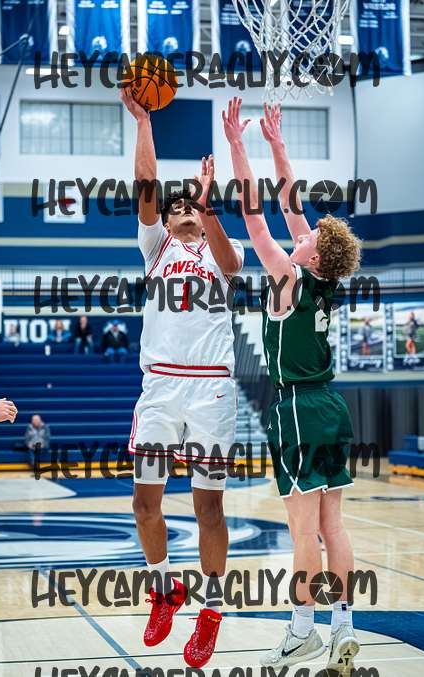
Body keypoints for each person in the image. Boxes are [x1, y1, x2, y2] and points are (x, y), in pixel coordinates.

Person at [223, 99, 362, 674]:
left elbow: (256, 214)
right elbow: (289, 202)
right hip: (331, 406)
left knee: (303, 530)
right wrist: (277, 144)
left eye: (308, 235)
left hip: (299, 409)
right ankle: (344, 626)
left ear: (313, 254)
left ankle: (302, 632)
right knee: (334, 525)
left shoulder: (287, 276)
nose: (300, 231)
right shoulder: (323, 281)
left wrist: (238, 145)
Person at [121, 86, 244, 668]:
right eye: (177, 209)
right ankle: (164, 588)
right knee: (145, 503)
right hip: (161, 388)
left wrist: (209, 204)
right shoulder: (156, 248)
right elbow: (146, 184)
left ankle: (211, 610)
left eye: (190, 206)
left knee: (208, 509)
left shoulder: (222, 248)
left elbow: (233, 263)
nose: (183, 211)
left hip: (211, 389)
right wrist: (144, 122)